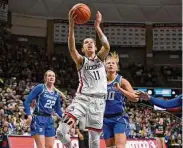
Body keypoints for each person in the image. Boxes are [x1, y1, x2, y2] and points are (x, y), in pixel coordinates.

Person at [56, 10, 110, 148]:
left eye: (92, 42)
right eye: (86, 43)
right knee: (61, 132)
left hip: (98, 102)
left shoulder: (100, 58)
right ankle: (68, 145)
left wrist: (97, 27)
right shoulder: (81, 61)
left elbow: (107, 46)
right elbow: (72, 49)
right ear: (83, 48)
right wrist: (71, 26)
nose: (90, 43)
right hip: (82, 99)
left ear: (95, 46)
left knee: (94, 141)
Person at [103, 52, 140, 148]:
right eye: (108, 63)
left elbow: (135, 98)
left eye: (113, 63)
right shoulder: (101, 81)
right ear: (104, 66)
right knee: (110, 146)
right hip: (105, 119)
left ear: (117, 67)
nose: (110, 64)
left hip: (119, 118)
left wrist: (120, 89)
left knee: (119, 146)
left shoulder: (122, 81)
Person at [24, 70, 63, 148]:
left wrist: (67, 119)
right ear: (45, 78)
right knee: (41, 146)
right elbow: (27, 101)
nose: (51, 77)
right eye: (49, 75)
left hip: (49, 120)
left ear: (55, 79)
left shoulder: (56, 93)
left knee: (50, 146)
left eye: (53, 76)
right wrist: (29, 115)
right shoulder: (40, 87)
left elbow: (58, 110)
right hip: (38, 119)